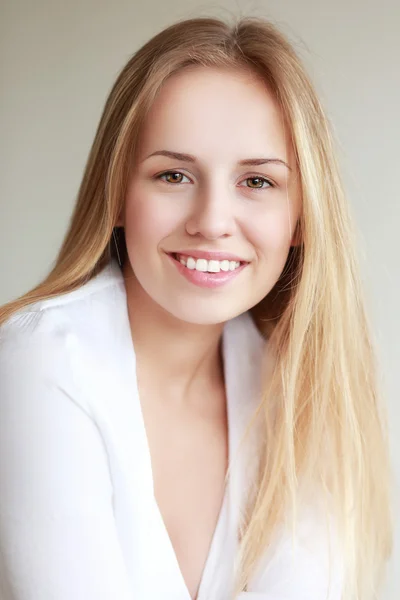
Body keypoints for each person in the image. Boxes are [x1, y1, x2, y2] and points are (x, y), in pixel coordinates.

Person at [0, 15, 392, 600]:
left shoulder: (302, 392)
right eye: (174, 174)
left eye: (257, 182)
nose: (211, 221)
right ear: (116, 195)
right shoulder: (39, 363)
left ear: (302, 217)